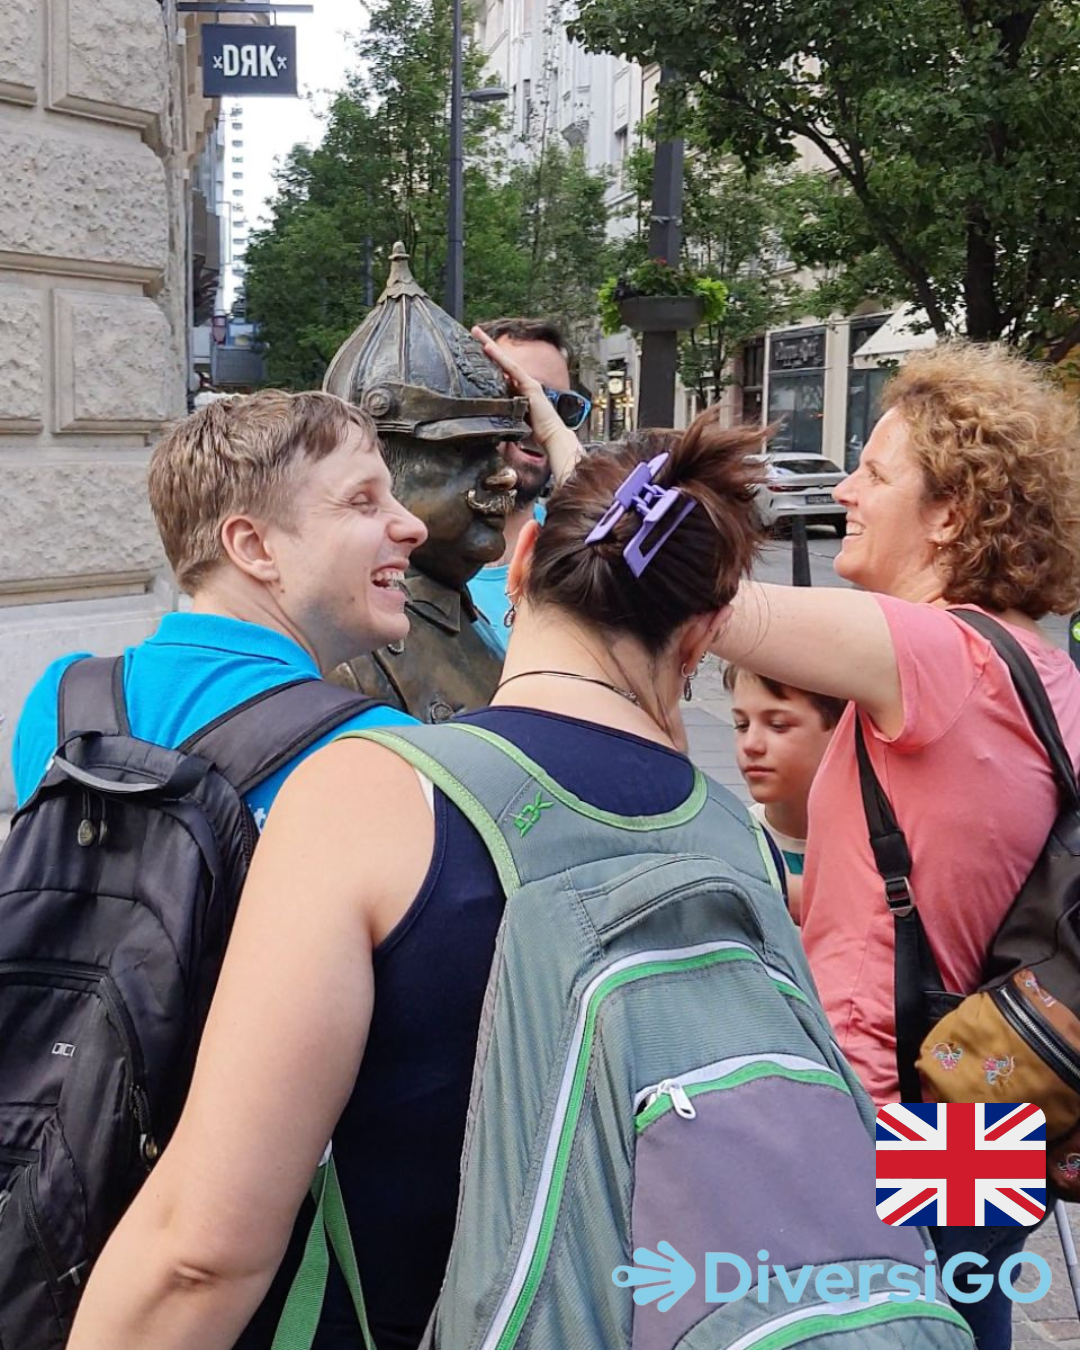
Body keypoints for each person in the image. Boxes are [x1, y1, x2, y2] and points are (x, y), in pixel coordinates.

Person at [65, 411, 781, 1350]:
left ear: (516, 569)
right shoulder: (740, 839)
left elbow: (203, 1251)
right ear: (708, 633)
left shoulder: (381, 790)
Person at [711, 342, 1080, 1350]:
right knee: (964, 1321)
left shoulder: (939, 652)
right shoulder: (1045, 675)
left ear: (952, 513)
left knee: (867, 1326)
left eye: (873, 472)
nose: (845, 489)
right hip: (986, 1097)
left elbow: (708, 607)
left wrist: (603, 512)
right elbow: (948, 882)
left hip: (885, 1104)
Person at [13, 390, 425, 820]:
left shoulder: (63, 701)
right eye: (362, 502)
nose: (414, 527)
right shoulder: (383, 755)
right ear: (254, 547)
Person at [322, 248, 575, 721]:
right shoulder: (347, 659)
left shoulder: (456, 618)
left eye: (496, 447)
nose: (502, 472)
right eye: (462, 454)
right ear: (374, 473)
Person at [469, 317, 590, 640]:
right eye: (520, 396)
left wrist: (554, 431)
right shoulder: (409, 553)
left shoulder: (579, 548)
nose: (538, 423)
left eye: (560, 406)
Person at [723, 662, 845, 919]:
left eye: (778, 725)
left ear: (842, 730)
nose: (751, 744)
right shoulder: (733, 846)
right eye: (741, 725)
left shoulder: (883, 849)